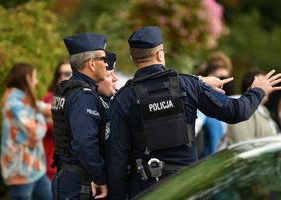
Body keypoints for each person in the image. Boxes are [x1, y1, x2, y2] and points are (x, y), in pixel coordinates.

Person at [104, 26, 281, 199]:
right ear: (160, 54)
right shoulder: (188, 85)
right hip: (186, 188)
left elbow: (116, 160)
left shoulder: (123, 99)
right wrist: (258, 91)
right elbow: (237, 112)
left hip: (145, 190)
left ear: (133, 58)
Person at [51, 33, 108, 200]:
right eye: (103, 59)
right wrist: (100, 176)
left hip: (66, 175)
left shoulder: (66, 88)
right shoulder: (83, 95)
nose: (106, 64)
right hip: (79, 182)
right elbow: (84, 142)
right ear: (91, 63)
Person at [0, 63, 52, 200]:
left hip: (35, 170)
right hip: (20, 172)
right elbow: (35, 133)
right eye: (34, 77)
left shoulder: (24, 100)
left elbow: (42, 107)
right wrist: (41, 119)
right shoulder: (13, 104)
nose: (36, 81)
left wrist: (69, 107)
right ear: (27, 78)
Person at [227, 68, 280, 145]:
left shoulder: (264, 111)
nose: (268, 87)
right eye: (263, 84)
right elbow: (244, 146)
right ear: (251, 89)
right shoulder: (243, 110)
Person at [41, 61, 72, 181]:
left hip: (72, 167)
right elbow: (56, 128)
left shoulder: (81, 98)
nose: (70, 76)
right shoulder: (49, 98)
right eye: (66, 73)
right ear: (58, 78)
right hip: (51, 166)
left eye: (73, 73)